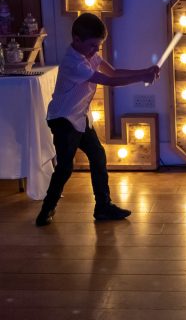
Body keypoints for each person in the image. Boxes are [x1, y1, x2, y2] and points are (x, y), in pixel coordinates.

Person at [35, 13, 159, 226]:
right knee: (65, 167)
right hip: (63, 120)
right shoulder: (74, 63)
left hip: (79, 118)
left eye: (98, 46)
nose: (95, 50)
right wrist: (141, 77)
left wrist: (145, 71)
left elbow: (114, 71)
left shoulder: (90, 56)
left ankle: (103, 207)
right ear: (76, 40)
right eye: (92, 45)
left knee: (98, 156)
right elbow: (108, 81)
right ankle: (46, 209)